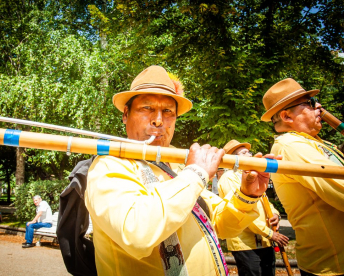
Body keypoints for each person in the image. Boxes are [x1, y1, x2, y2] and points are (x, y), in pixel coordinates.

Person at [84, 65, 281, 275]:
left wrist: (248, 194)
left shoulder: (176, 167)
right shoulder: (109, 166)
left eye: (167, 111)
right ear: (125, 114)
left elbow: (221, 224)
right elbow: (136, 232)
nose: (158, 120)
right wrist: (195, 173)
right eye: (146, 108)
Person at [261, 78, 344, 276]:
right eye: (310, 103)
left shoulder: (313, 143)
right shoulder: (291, 145)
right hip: (333, 266)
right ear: (286, 116)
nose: (319, 107)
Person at [219, 139, 289, 276]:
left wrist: (275, 215)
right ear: (234, 158)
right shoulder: (229, 178)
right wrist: (270, 234)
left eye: (249, 151)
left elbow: (265, 201)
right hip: (245, 244)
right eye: (244, 152)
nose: (250, 154)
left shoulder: (254, 175)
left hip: (265, 242)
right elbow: (240, 212)